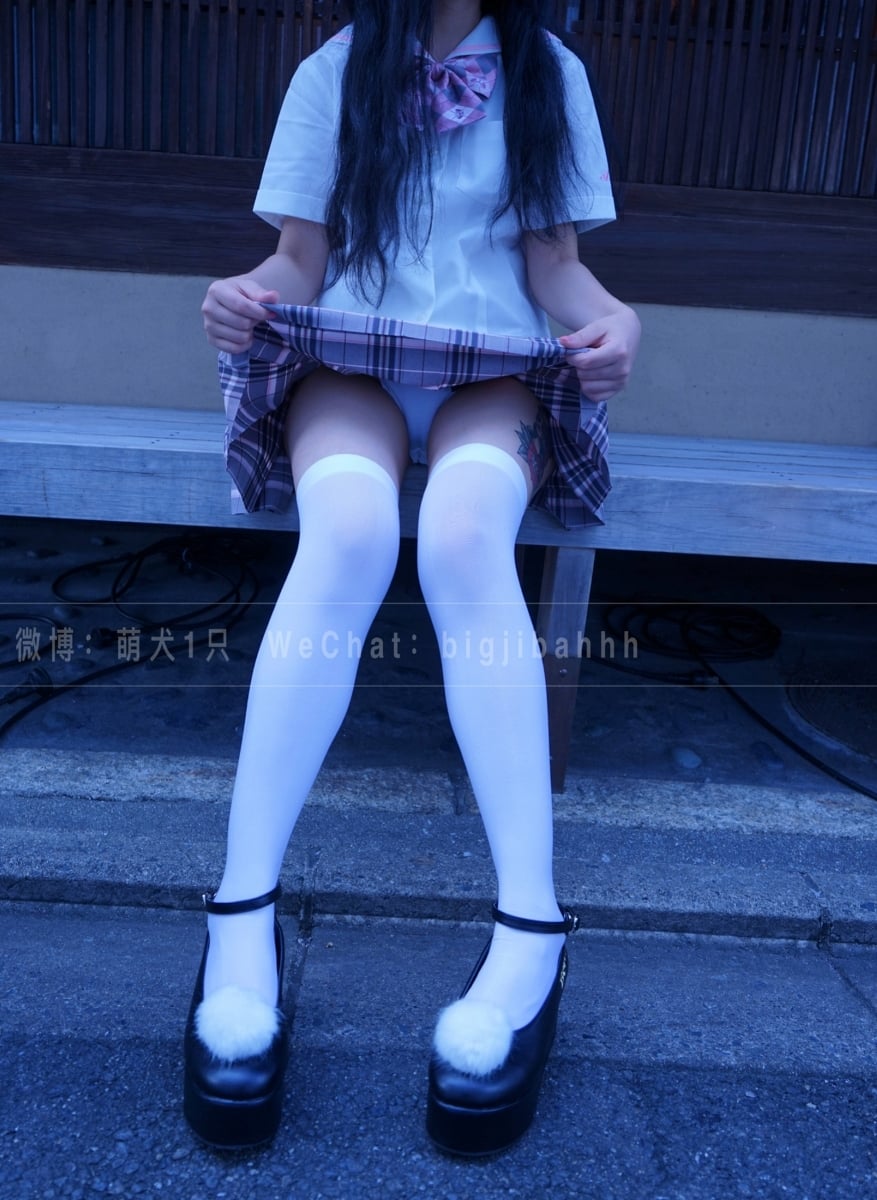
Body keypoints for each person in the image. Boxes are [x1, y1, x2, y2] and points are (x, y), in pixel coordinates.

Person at [184, 0, 641, 1157]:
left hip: (496, 365)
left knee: (461, 541)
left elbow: (556, 269)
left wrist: (614, 322)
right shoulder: (334, 68)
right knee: (345, 537)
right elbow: (299, 260)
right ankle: (239, 918)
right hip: (351, 357)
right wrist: (243, 294)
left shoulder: (546, 72)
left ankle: (531, 931)